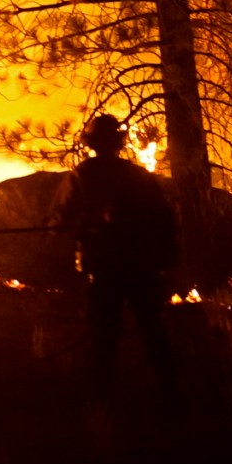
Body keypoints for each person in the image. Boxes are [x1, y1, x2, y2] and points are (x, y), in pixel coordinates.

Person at [59, 113, 179, 396]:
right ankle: (171, 390)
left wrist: (80, 226)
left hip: (104, 266)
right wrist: (165, 259)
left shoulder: (82, 175)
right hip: (141, 265)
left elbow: (61, 217)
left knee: (103, 333)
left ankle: (102, 396)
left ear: (91, 143)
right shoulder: (136, 175)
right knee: (153, 329)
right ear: (118, 142)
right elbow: (164, 218)